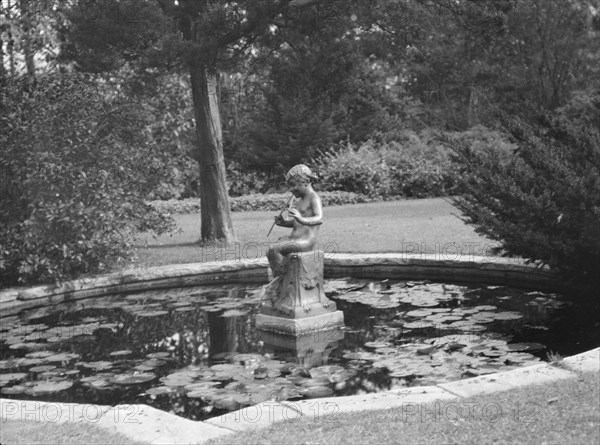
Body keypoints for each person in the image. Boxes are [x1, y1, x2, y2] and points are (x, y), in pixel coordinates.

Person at [267, 164, 323, 277]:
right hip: (295, 239)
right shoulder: (301, 200)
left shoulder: (314, 198)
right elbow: (298, 223)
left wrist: (300, 218)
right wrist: (284, 223)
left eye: (293, 185)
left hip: (306, 242)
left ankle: (281, 278)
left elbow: (319, 219)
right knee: (277, 243)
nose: (291, 189)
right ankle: (283, 275)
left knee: (273, 250)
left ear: (305, 182)